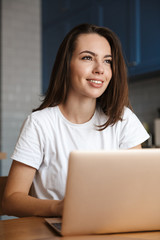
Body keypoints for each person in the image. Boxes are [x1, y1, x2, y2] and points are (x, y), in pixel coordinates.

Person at [2, 23, 149, 217]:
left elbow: (141, 188)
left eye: (107, 61)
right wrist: (59, 208)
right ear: (66, 64)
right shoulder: (39, 123)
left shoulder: (123, 119)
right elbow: (11, 199)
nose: (100, 69)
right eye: (87, 58)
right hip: (52, 230)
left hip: (112, 227)